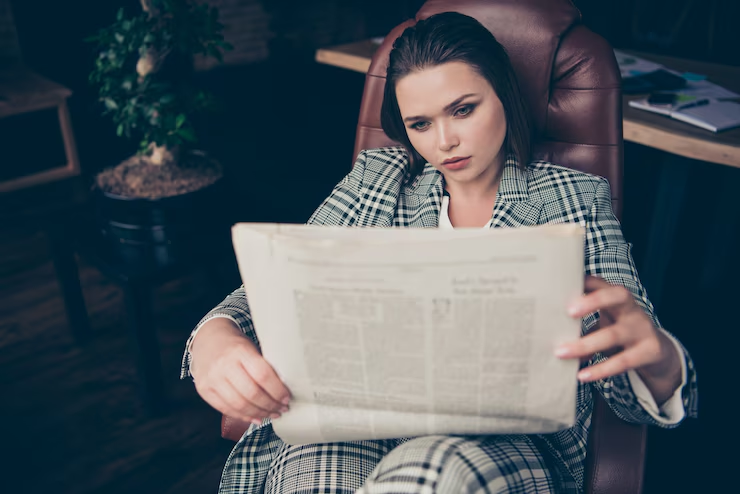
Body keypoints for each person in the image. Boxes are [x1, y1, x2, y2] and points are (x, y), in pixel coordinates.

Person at [181, 12, 698, 494]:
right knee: (308, 472)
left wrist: (658, 357)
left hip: (499, 447)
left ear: (504, 96)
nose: (445, 141)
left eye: (464, 109)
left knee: (432, 475)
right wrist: (214, 338)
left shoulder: (570, 198)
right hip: (355, 426)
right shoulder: (378, 181)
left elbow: (629, 376)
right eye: (420, 124)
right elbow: (269, 290)